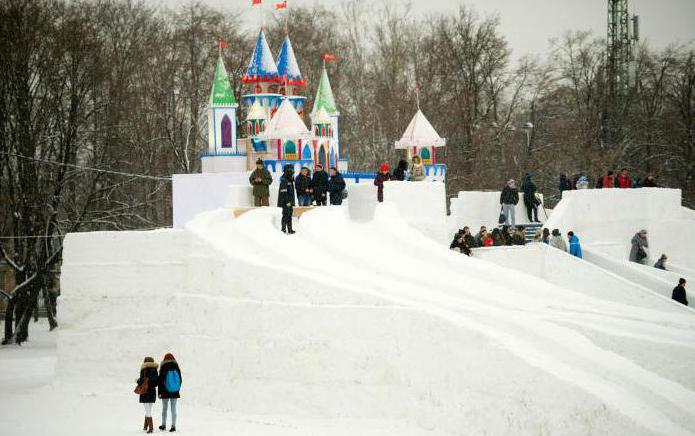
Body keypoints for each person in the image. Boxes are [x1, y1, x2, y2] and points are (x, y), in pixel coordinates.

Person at [158, 353, 182, 433]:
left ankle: (163, 425)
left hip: (165, 391)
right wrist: (176, 389)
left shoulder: (163, 366)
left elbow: (160, 381)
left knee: (164, 409)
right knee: (173, 409)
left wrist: (160, 392)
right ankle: (173, 426)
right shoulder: (176, 366)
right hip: (174, 392)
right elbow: (180, 380)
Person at [136, 357, 159, 433]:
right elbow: (156, 383)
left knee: (147, 410)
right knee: (148, 409)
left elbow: (141, 381)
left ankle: (151, 428)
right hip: (152, 392)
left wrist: (138, 381)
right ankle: (145, 426)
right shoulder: (155, 370)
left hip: (145, 392)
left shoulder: (144, 369)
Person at [278, 165, 296, 234]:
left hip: (290, 201)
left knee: (289, 215)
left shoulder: (290, 180)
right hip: (286, 202)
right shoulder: (284, 180)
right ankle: (283, 230)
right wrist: (287, 202)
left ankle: (290, 229)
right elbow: (283, 193)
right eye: (291, 171)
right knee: (285, 215)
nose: (292, 173)